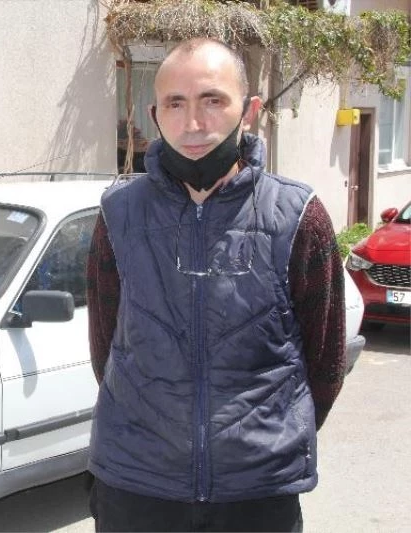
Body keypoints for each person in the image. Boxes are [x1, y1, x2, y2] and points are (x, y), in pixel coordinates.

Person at [86, 38, 346, 532]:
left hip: (257, 495)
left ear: (249, 111)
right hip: (136, 488)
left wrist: (265, 442)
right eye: (175, 103)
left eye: (212, 100)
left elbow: (325, 360)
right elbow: (106, 346)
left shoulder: (299, 216)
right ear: (154, 115)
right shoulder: (118, 214)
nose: (193, 123)